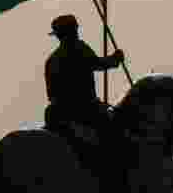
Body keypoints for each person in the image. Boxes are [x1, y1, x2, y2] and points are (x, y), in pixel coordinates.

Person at [44, 14, 125, 170]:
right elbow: (99, 64)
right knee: (115, 130)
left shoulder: (51, 60)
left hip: (57, 112)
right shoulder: (79, 49)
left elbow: (50, 93)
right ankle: (111, 168)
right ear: (73, 31)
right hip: (85, 109)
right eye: (74, 30)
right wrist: (116, 59)